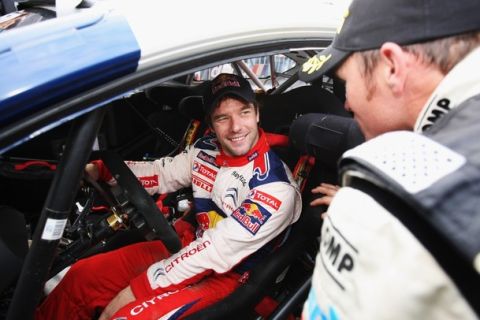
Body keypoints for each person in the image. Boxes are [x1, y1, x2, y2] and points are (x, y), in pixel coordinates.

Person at [35, 73, 302, 320]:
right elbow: (161, 173)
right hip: (188, 245)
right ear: (211, 123)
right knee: (82, 278)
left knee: (127, 316)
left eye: (244, 113)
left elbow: (215, 252)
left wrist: (138, 290)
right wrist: (102, 170)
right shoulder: (205, 150)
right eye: (222, 118)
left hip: (229, 275)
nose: (235, 127)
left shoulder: (274, 188)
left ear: (256, 113)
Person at [298, 0, 480, 318]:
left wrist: (365, 209)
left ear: (393, 67)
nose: (347, 103)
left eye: (345, 82)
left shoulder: (370, 210)